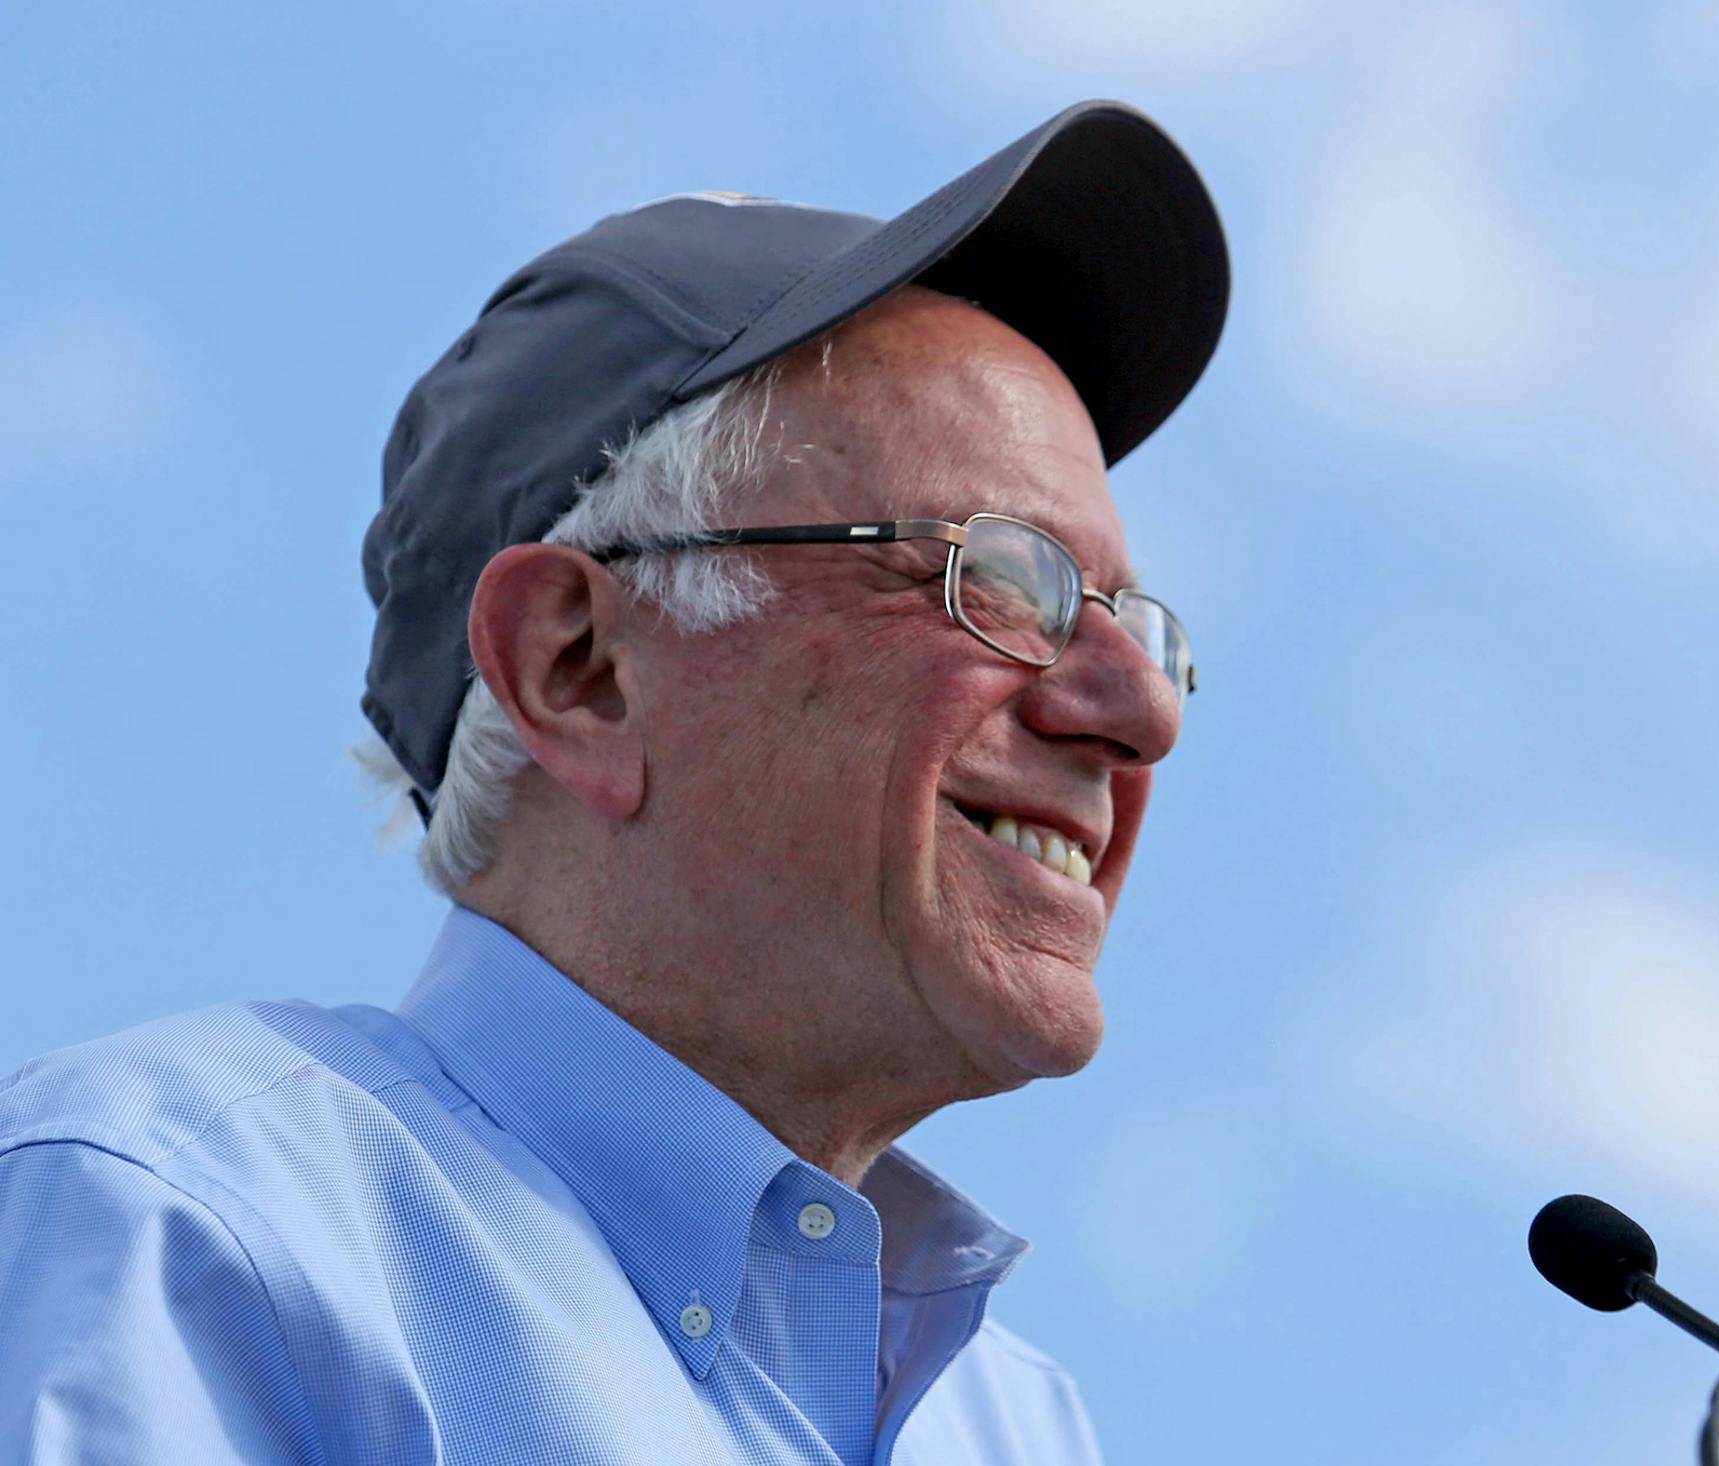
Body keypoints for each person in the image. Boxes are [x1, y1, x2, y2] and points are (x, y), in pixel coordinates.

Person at [0, 101, 1228, 1465]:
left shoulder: (1017, 1424)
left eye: (1136, 616)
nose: (1142, 709)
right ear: (580, 666)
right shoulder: (181, 1229)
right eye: (1002, 578)